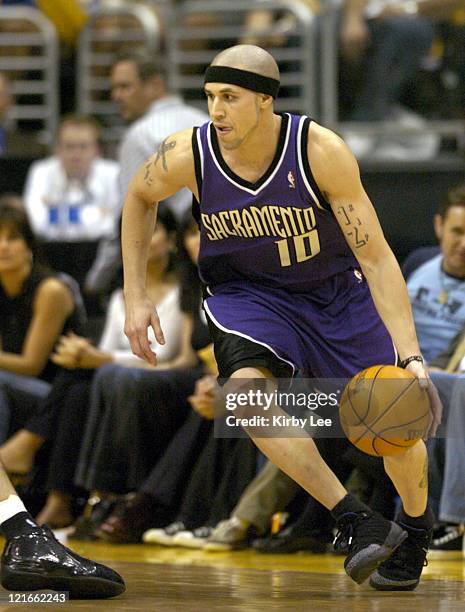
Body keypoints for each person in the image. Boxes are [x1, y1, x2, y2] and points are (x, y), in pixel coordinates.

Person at [121, 44, 442, 591]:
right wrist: (137, 294)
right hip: (248, 296)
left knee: (392, 421)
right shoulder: (186, 153)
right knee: (244, 397)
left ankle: (414, 527)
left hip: (333, 295)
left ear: (265, 102)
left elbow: (376, 255)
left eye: (230, 98)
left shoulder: (320, 151)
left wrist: (410, 354)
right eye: (210, 97)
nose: (215, 111)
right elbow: (138, 197)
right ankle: (352, 518)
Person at [85, 50, 208, 297]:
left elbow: (130, 216)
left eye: (124, 87)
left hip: (180, 270)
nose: (115, 96)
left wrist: (95, 281)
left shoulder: (139, 136)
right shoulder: (205, 121)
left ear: (155, 85)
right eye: (114, 88)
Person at [0, 202, 86, 443]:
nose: (3, 246)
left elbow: (31, 365)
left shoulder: (51, 290)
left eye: (13, 238)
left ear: (29, 245)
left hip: (59, 398)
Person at [23, 114, 120, 292]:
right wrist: (96, 213)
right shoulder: (41, 171)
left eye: (83, 147)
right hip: (50, 258)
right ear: (58, 149)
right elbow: (34, 224)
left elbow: (114, 227)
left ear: (96, 150)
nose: (76, 155)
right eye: (69, 147)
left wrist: (56, 211)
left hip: (98, 257)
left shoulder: (112, 173)